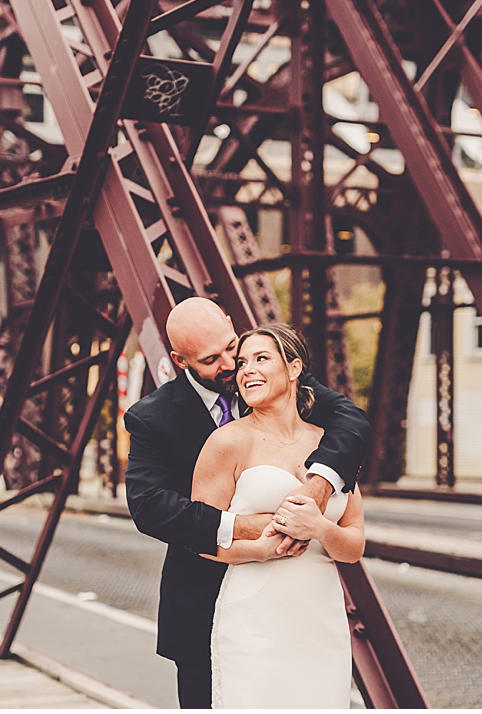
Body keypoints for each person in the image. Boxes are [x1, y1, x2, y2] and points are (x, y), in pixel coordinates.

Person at [124, 298, 369, 709]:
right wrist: (258, 527)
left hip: (305, 609)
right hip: (205, 600)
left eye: (230, 347)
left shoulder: (277, 379)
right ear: (179, 361)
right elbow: (150, 506)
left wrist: (317, 494)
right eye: (211, 359)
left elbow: (352, 423)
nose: (232, 364)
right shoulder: (153, 417)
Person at [192, 323, 365, 708]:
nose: (246, 370)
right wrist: (263, 551)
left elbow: (353, 546)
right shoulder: (227, 442)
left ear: (293, 368)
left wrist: (320, 528)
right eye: (241, 363)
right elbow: (200, 538)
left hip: (321, 616)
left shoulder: (332, 445)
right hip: (255, 615)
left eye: (261, 358)